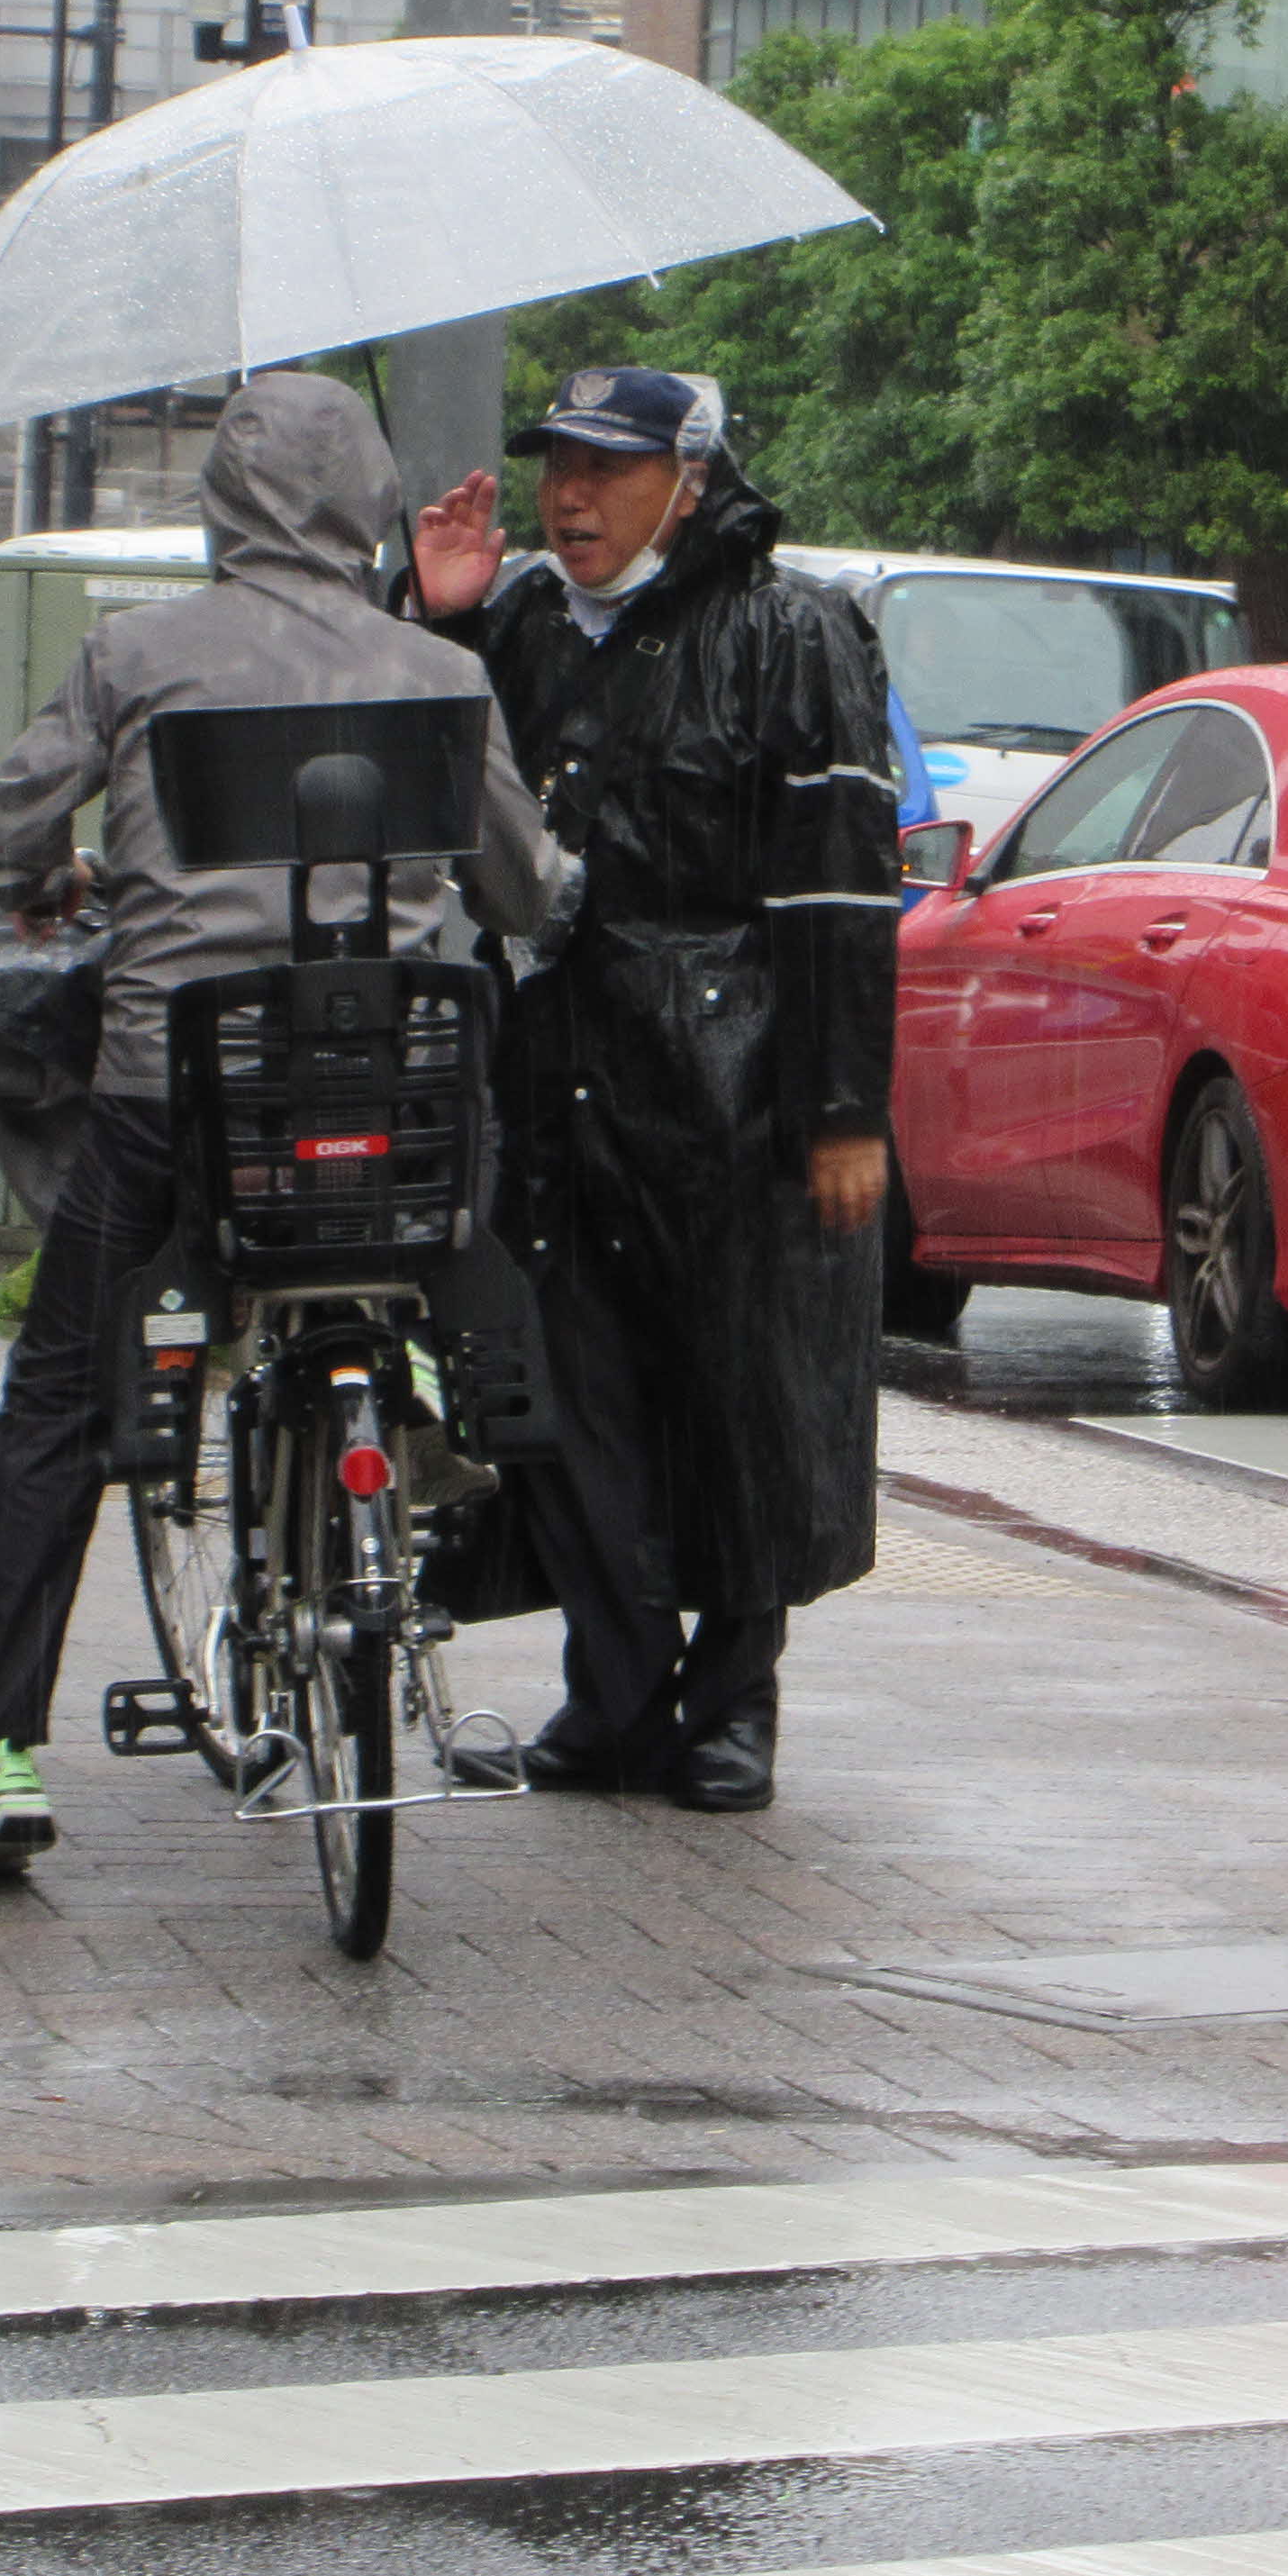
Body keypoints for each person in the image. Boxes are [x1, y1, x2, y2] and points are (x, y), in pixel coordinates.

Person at [0, 374, 565, 1882]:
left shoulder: (131, 654)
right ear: (365, 500)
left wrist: (67, 877)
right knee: (421, 1232)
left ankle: (0, 1754)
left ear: (218, 502)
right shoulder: (432, 669)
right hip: (392, 1108)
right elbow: (526, 890)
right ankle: (406, 1405)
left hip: (171, 1102)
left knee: (58, 1406)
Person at [409, 366, 899, 1813]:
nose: (571, 495)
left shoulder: (790, 630)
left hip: (735, 1077)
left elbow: (840, 887)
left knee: (747, 1394)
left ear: (689, 479)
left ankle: (733, 1701)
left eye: (608, 469)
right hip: (561, 1070)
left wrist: (842, 1106)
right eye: (558, 465)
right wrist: (430, 613)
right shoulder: (520, 622)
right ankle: (612, 1698)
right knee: (572, 1399)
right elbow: (428, 767)